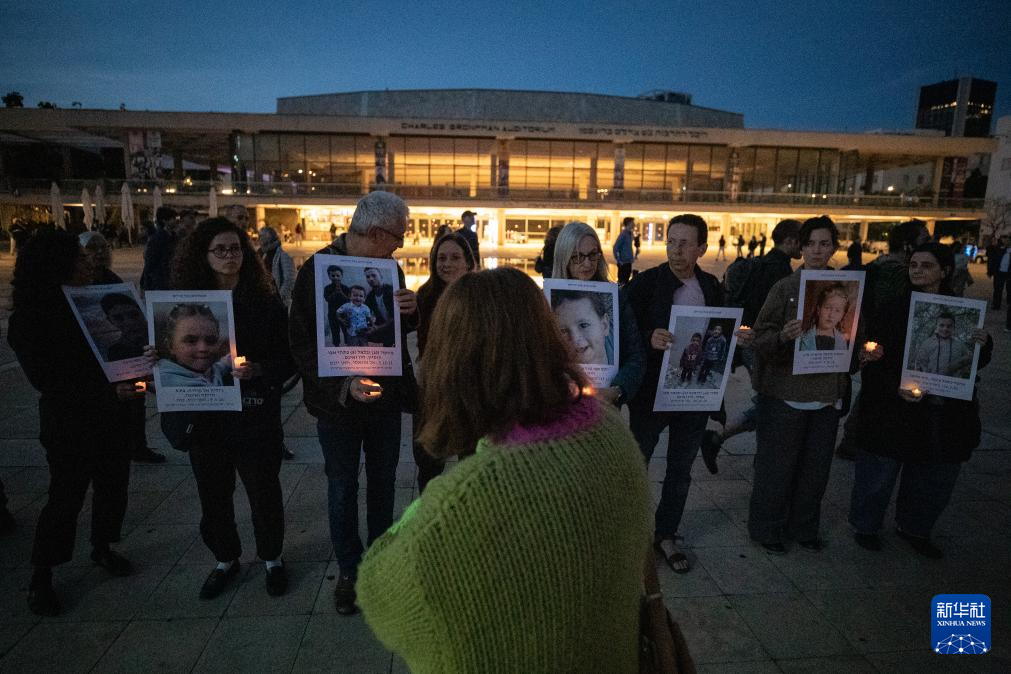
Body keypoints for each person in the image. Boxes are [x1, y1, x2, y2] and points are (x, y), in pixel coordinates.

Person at [356, 267, 652, 673]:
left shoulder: (462, 504)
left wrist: (422, 511)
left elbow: (379, 591)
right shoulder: (610, 429)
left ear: (452, 363)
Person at [288, 191, 419, 615]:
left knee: (383, 483)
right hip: (338, 406)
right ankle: (349, 569)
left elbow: (394, 329)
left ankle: (378, 563)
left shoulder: (390, 268)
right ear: (377, 232)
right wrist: (344, 386)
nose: (399, 245)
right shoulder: (316, 270)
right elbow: (302, 344)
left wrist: (410, 311)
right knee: (342, 486)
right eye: (397, 236)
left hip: (383, 400)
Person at [157, 218, 295, 599]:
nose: (230, 256)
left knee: (264, 493)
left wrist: (259, 369)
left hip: (253, 416)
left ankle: (272, 557)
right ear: (203, 255)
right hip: (206, 420)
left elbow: (288, 357)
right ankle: (225, 558)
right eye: (220, 249)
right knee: (214, 497)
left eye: (235, 248)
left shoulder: (264, 302)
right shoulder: (184, 304)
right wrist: (157, 357)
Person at [8, 229, 142, 616]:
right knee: (65, 497)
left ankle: (102, 546)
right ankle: (43, 573)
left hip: (112, 416)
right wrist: (107, 390)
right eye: (79, 258)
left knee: (113, 485)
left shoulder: (96, 299)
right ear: (57, 265)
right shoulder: (31, 318)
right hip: (69, 422)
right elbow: (47, 379)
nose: (89, 262)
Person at [625, 214, 753, 573]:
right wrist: (649, 337)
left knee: (680, 471)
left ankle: (666, 534)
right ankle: (631, 538)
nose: (676, 250)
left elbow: (719, 334)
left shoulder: (711, 286)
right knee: (637, 466)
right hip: (651, 395)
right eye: (671, 241)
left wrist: (738, 339)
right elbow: (623, 332)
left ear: (702, 249)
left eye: (685, 243)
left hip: (694, 395)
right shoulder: (646, 284)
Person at [747, 216, 881, 555]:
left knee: (815, 470)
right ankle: (768, 528)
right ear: (800, 247)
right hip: (786, 395)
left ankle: (804, 527)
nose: (817, 250)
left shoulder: (848, 289)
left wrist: (862, 355)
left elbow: (855, 338)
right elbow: (760, 336)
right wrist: (782, 336)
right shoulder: (785, 288)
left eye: (824, 244)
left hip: (826, 397)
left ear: (834, 247)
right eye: (810, 244)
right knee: (776, 467)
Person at [849, 242, 992, 558]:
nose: (917, 271)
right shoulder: (893, 309)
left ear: (944, 271)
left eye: (926, 265)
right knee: (878, 474)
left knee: (930, 477)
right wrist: (888, 381)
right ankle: (866, 526)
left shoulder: (961, 313)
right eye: (913, 265)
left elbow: (972, 363)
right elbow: (875, 360)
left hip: (940, 413)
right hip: (893, 409)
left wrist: (984, 344)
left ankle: (915, 528)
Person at [703, 219, 802, 471]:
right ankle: (728, 441)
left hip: (747, 339)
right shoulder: (780, 272)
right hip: (760, 344)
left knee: (769, 398)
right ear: (790, 241)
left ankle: (723, 439)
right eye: (802, 242)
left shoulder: (759, 263)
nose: (803, 247)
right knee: (771, 399)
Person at [835, 219, 931, 460]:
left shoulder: (878, 266)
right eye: (923, 239)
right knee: (874, 389)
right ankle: (852, 439)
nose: (928, 243)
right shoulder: (897, 273)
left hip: (872, 337)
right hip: (881, 340)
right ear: (908, 245)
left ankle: (852, 439)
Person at [83, 230, 166, 464]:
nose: (100, 253)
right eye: (92, 248)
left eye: (103, 247)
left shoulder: (112, 279)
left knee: (136, 397)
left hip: (132, 353)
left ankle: (138, 445)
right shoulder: (78, 282)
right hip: (100, 360)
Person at [552, 221, 645, 407]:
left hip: (605, 403)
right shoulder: (545, 300)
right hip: (560, 404)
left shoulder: (617, 298)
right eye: (577, 257)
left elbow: (635, 355)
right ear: (564, 257)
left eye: (593, 255)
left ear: (604, 324)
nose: (587, 263)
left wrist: (617, 390)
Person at [413, 232, 477, 492]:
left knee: (470, 465)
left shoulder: (481, 298)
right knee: (429, 464)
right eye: (441, 258)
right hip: (433, 392)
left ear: (468, 263)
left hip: (470, 393)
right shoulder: (424, 296)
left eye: (454, 257)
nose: (446, 264)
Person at [156, 304, 233, 387]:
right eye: (191, 341)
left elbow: (220, 366)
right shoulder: (162, 381)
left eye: (210, 341)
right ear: (170, 345)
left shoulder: (214, 371)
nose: (203, 348)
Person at [551, 290, 612, 365]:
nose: (575, 339)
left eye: (583, 325)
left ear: (604, 325)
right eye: (563, 331)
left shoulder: (624, 353)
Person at [911, 311, 973, 377]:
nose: (945, 329)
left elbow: (969, 362)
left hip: (952, 382)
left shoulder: (960, 345)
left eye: (949, 326)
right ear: (936, 326)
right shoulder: (926, 344)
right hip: (930, 381)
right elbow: (919, 365)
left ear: (953, 327)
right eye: (941, 325)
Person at [797, 283, 851, 351]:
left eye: (837, 310)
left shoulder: (842, 341)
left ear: (842, 316)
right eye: (827, 308)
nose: (831, 315)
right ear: (819, 310)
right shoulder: (803, 337)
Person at [139, 206, 179, 291]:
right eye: (173, 218)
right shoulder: (157, 239)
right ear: (164, 221)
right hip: (160, 282)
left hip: (172, 280)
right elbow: (150, 263)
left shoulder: (175, 237)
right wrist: (145, 284)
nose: (176, 221)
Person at [257, 226, 296, 307]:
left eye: (261, 236)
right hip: (262, 301)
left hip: (278, 303)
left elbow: (290, 279)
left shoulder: (283, 256)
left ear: (269, 238)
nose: (259, 239)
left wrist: (279, 297)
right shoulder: (260, 254)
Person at [363, 267, 396, 347]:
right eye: (368, 277)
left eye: (374, 275)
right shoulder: (370, 296)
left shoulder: (391, 291)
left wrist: (377, 328)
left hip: (395, 329)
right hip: (382, 327)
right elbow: (365, 313)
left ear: (381, 276)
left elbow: (395, 318)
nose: (371, 279)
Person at [323, 265, 351, 346]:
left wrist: (341, 292)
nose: (335, 277)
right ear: (329, 276)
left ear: (341, 276)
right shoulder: (327, 288)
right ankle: (336, 345)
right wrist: (335, 292)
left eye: (338, 275)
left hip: (344, 314)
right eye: (333, 275)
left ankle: (348, 344)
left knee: (346, 330)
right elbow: (327, 299)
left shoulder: (345, 288)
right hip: (332, 313)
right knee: (334, 330)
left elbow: (348, 300)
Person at [985, 234, 1009, 312]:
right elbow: (989, 254)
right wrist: (990, 271)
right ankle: (996, 305)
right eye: (1004, 239)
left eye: (1007, 240)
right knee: (998, 289)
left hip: (1008, 273)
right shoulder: (996, 248)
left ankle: (1008, 303)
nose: (1005, 241)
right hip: (999, 272)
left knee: (1009, 289)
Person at [612, 217, 635, 285]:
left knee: (626, 281)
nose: (634, 224)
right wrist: (618, 260)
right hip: (623, 263)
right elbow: (615, 247)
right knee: (622, 282)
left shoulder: (629, 234)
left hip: (628, 262)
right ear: (628, 223)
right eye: (632, 222)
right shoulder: (623, 234)